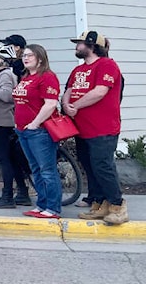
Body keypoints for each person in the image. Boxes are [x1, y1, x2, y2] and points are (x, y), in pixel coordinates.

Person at [63, 30, 128, 226]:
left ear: (92, 45)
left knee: (103, 166)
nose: (76, 46)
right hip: (82, 129)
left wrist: (76, 106)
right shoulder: (78, 70)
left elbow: (100, 92)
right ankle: (99, 205)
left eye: (80, 43)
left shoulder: (107, 65)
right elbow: (69, 90)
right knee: (90, 167)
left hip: (103, 128)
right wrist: (66, 105)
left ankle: (117, 205)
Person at [12, 43, 62, 219]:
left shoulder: (47, 77)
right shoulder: (26, 78)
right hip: (23, 131)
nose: (25, 58)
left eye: (30, 55)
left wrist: (35, 123)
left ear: (40, 58)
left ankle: (53, 207)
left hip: (40, 131)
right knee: (35, 169)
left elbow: (50, 104)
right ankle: (41, 204)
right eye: (24, 55)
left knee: (47, 169)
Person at [0, 45, 32, 208]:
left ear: (0, 60)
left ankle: (7, 196)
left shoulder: (5, 75)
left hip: (3, 123)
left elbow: (8, 96)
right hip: (0, 121)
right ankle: (22, 193)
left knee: (5, 160)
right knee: (12, 160)